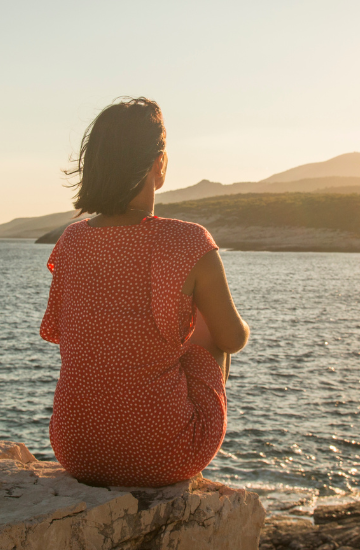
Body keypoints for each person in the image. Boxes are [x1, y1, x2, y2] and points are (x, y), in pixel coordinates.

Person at [40, 97, 249, 487]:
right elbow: (231, 339)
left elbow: (67, 335)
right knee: (208, 337)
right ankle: (187, 466)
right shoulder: (188, 240)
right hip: (164, 456)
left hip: (76, 452)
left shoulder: (71, 240)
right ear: (159, 164)